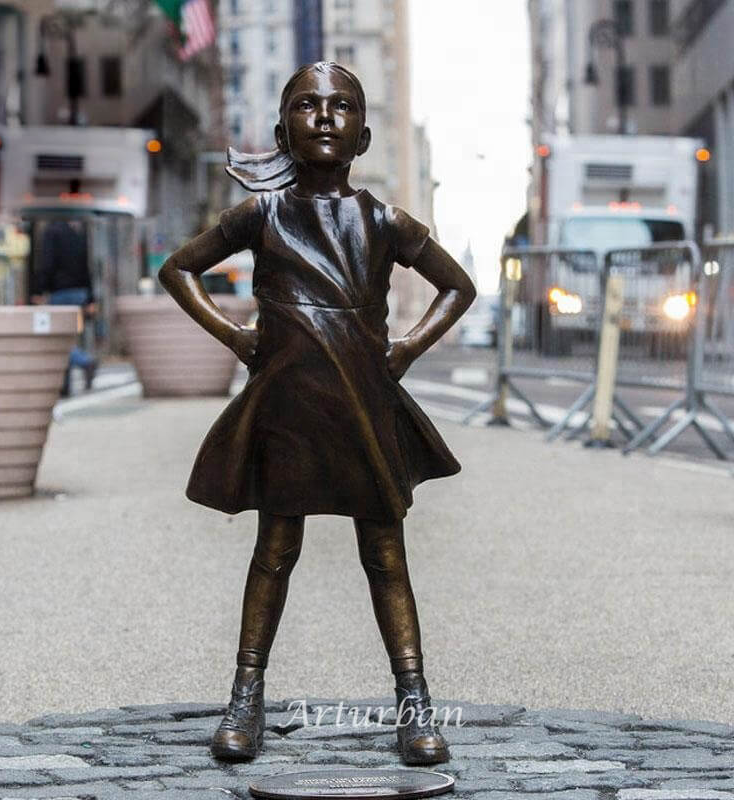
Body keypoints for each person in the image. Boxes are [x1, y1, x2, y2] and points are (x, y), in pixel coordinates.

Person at [159, 62, 476, 765]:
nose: (325, 117)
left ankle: (414, 700)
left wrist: (406, 349)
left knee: (385, 553)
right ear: (282, 131)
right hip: (287, 405)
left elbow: (458, 286)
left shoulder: (384, 221)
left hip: (364, 401)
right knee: (275, 549)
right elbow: (179, 268)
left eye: (341, 107)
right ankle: (246, 696)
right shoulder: (261, 214)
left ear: (363, 136)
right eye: (307, 105)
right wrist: (239, 337)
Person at [31, 219, 98, 396]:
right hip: (80, 292)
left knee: (59, 339)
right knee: (70, 337)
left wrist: (39, 290)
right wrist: (90, 297)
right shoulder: (79, 231)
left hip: (60, 291)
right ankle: (65, 384)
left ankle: (84, 362)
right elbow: (87, 266)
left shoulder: (51, 232)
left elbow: (47, 263)